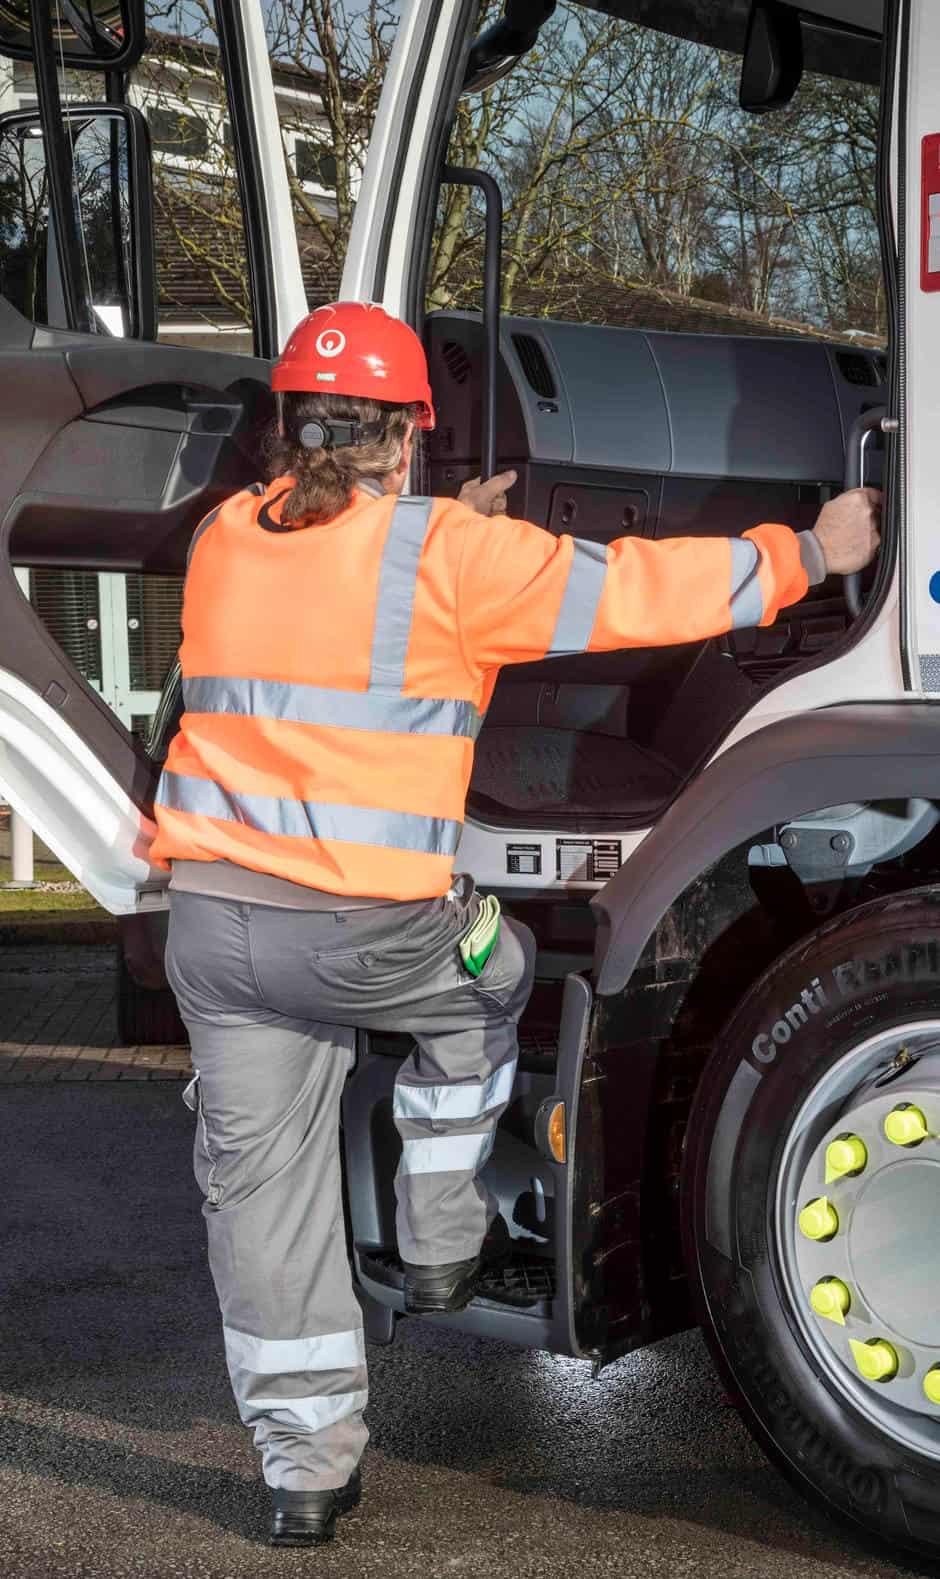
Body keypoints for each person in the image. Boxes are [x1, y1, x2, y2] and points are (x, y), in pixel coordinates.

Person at [150, 300, 880, 1548]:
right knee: (500, 969)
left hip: (216, 938)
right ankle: (441, 1239)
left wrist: (454, 533)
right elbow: (640, 590)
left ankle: (304, 1473)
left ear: (290, 424)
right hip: (376, 937)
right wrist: (812, 546)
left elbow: (344, 582)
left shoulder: (225, 537)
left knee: (257, 1201)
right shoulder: (447, 555)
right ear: (407, 437)